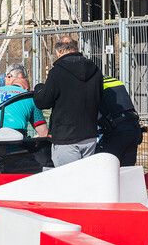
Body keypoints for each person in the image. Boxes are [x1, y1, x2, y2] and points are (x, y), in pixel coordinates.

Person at [33, 39, 102, 167]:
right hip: (89, 135)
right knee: (85, 177)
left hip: (65, 137)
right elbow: (100, 99)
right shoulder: (95, 70)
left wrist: (39, 88)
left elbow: (43, 102)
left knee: (68, 179)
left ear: (60, 51)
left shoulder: (58, 71)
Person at [0, 66, 48, 139]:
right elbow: (43, 132)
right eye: (27, 79)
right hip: (16, 142)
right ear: (20, 76)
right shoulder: (28, 96)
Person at [97, 76, 143, 166]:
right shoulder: (114, 80)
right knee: (127, 171)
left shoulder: (95, 84)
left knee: (107, 166)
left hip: (117, 131)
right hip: (134, 128)